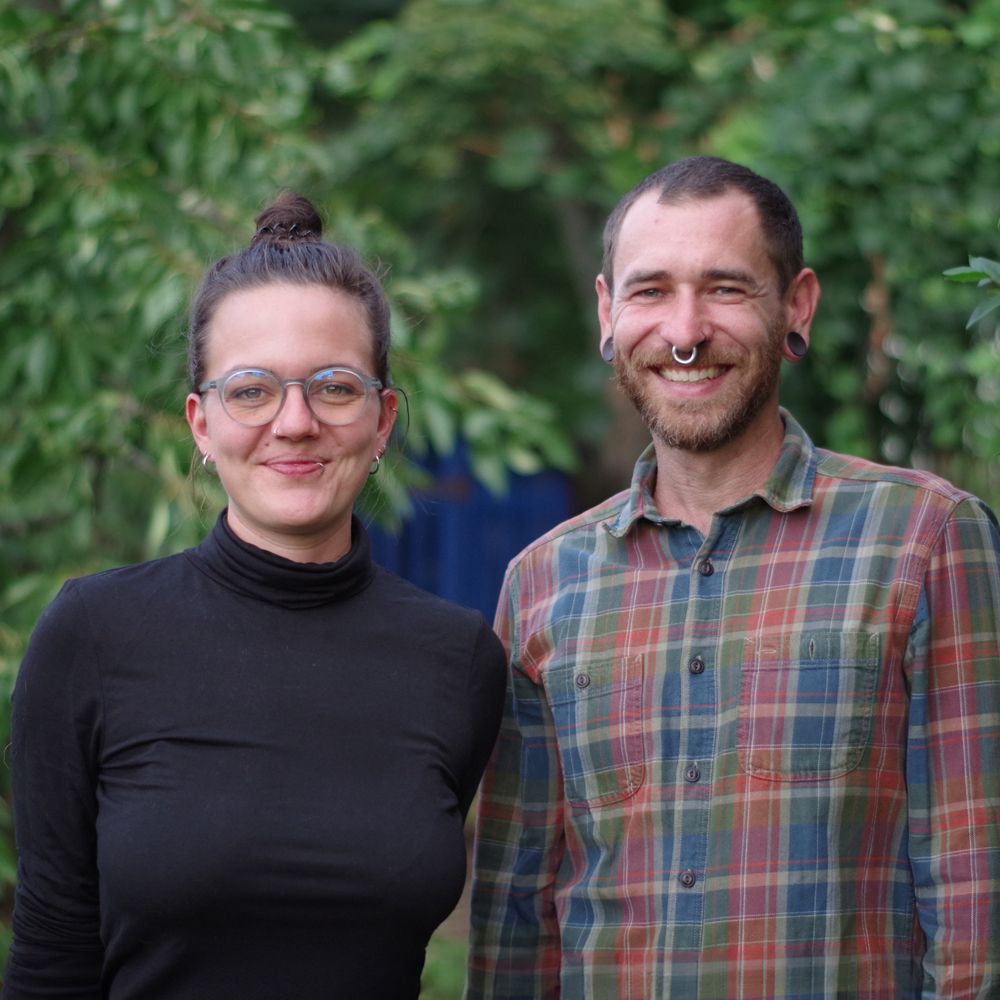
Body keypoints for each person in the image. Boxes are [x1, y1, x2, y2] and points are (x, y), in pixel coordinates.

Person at [467, 157, 1000, 999]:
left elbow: (978, 894)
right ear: (607, 314)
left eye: (725, 289)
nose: (684, 331)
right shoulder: (541, 583)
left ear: (798, 306)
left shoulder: (927, 540)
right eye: (650, 292)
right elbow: (515, 927)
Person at [4, 194, 507, 999]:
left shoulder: (458, 660)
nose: (295, 422)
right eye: (251, 390)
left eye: (335, 387)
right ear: (202, 425)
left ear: (383, 422)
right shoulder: (94, 635)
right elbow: (52, 956)